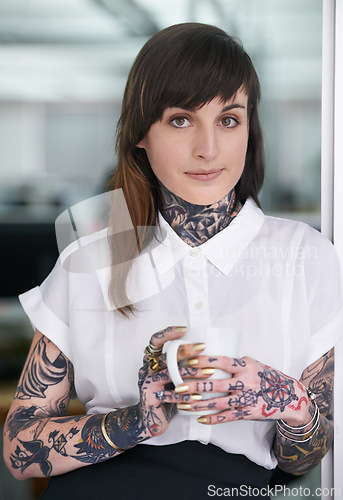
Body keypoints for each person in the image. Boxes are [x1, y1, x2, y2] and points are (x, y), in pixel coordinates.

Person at [3, 22, 343, 500]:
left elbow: (308, 456)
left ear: (249, 128)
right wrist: (138, 421)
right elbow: (19, 450)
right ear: (141, 132)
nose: (208, 148)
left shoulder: (307, 258)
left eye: (229, 120)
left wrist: (288, 402)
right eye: (181, 119)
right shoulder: (90, 261)